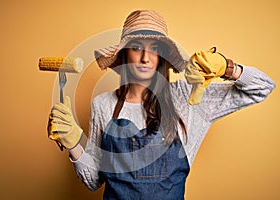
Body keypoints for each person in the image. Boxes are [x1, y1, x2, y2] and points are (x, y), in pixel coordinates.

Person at [47, 10, 275, 200]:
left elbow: (263, 87)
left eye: (154, 49)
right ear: (125, 54)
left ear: (162, 57)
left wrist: (228, 67)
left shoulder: (188, 99)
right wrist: (74, 144)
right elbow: (94, 181)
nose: (145, 57)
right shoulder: (104, 105)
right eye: (137, 47)